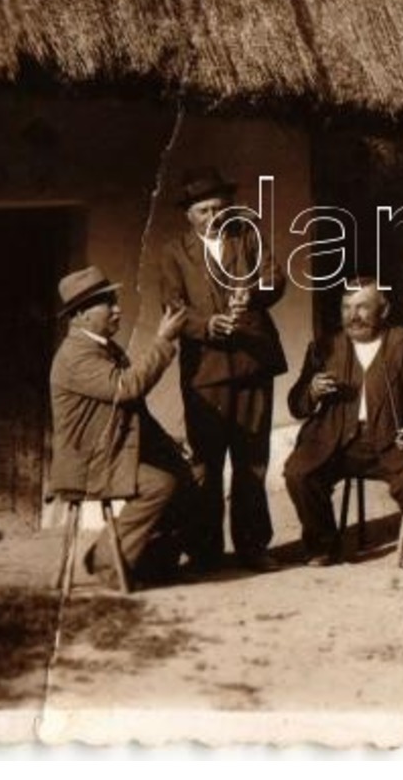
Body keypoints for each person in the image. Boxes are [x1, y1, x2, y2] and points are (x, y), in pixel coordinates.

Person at [159, 166, 288, 573]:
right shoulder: (173, 253)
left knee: (253, 461)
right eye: (203, 210)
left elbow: (276, 278)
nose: (213, 216)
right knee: (206, 463)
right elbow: (173, 308)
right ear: (189, 215)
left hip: (253, 364)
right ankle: (205, 551)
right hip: (206, 372)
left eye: (218, 207)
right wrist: (208, 325)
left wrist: (253, 292)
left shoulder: (246, 235)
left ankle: (253, 547)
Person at [283, 280, 403, 571]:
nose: (352, 315)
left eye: (362, 306)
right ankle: (324, 546)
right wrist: (311, 391)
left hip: (394, 441)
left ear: (384, 310)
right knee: (299, 472)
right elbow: (296, 404)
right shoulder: (325, 347)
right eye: (346, 307)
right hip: (337, 442)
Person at [48, 265, 194, 589]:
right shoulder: (75, 356)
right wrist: (163, 340)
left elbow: (133, 409)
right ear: (82, 314)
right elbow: (127, 388)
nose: (117, 309)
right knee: (160, 484)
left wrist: (167, 441)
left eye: (114, 300)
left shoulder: (103, 347)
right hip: (86, 462)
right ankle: (107, 563)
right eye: (107, 303)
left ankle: (147, 563)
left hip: (109, 451)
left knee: (186, 476)